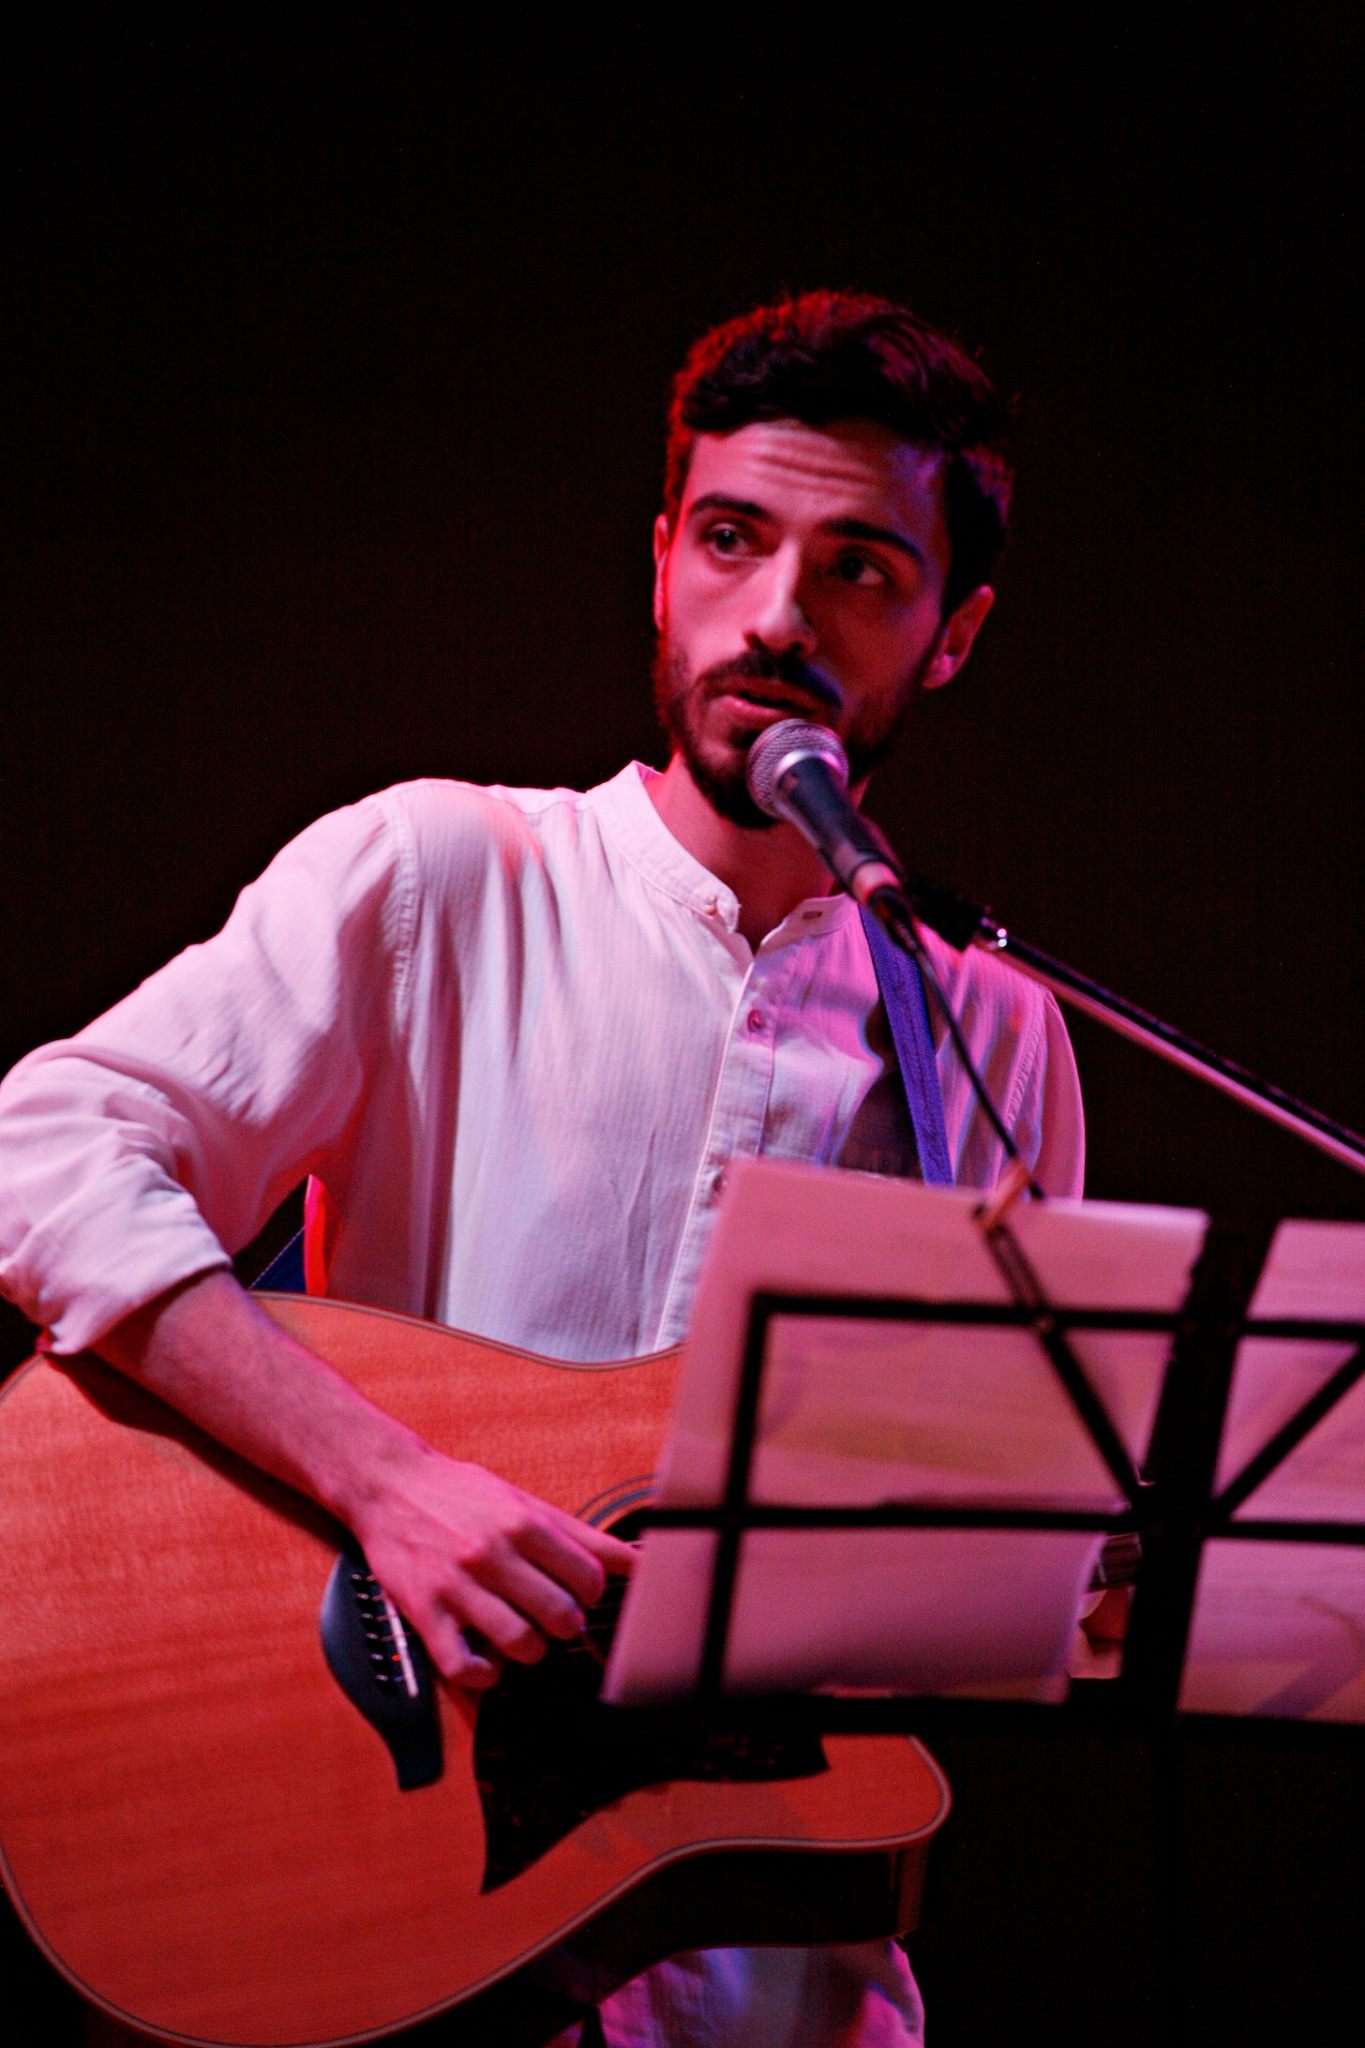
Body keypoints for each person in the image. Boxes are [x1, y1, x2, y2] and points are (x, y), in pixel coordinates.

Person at [0, 290, 1084, 2045]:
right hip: (391, 1887)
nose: (775, 615)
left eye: (858, 569)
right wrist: (389, 1486)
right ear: (660, 563)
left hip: (776, 1977)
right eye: (729, 540)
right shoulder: (442, 875)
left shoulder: (988, 1036)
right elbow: (44, 1147)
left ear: (951, 632)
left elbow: (985, 1549)